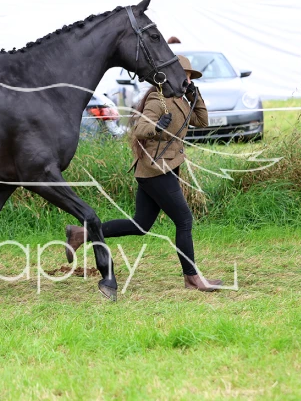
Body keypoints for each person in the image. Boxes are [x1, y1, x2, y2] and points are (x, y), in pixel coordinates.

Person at [64, 55, 223, 292]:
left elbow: (202, 121)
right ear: (172, 76)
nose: (187, 81)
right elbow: (140, 128)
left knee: (140, 225)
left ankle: (82, 234)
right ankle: (192, 279)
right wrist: (157, 127)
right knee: (184, 220)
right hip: (156, 170)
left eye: (190, 78)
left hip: (161, 169)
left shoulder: (181, 100)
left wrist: (195, 97)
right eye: (185, 77)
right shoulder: (159, 100)